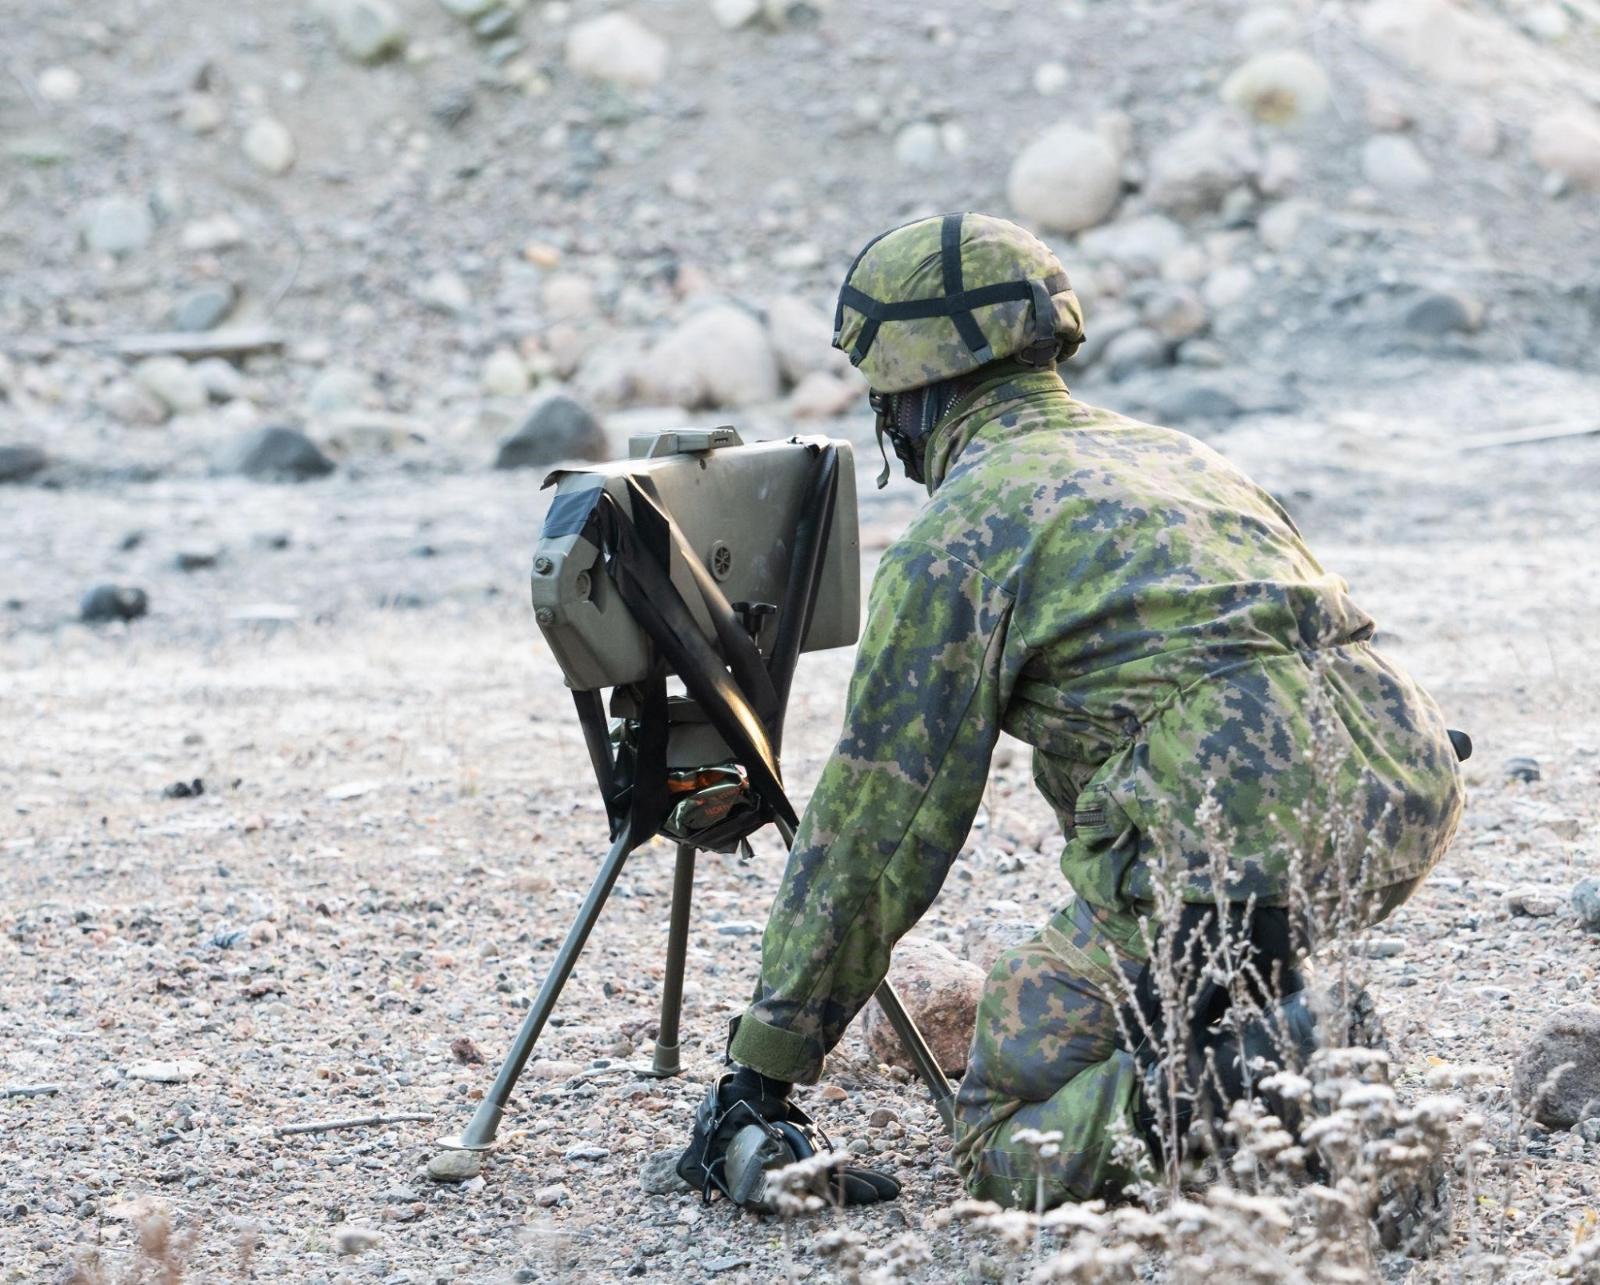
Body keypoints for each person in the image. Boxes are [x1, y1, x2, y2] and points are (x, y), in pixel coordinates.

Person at [677, 212, 1465, 1210]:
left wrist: (764, 1069)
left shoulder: (961, 535)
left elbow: (878, 826)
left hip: (1234, 842)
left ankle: (1280, 1067)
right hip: (1404, 787)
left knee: (1003, 1139)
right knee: (1177, 960)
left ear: (905, 392)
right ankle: (1273, 1024)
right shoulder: (1180, 457)